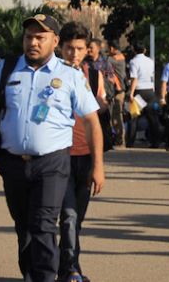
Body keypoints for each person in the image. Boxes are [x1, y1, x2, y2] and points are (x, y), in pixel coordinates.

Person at [0, 14, 103, 282]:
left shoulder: (69, 75)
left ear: (55, 41)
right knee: (24, 227)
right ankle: (30, 274)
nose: (33, 43)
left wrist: (98, 165)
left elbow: (91, 121)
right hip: (13, 163)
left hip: (52, 163)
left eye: (40, 38)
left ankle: (46, 277)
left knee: (43, 225)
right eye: (29, 37)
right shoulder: (6, 69)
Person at [58, 22, 107, 282]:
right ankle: (71, 270)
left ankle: (68, 265)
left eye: (79, 49)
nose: (74, 54)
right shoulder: (51, 74)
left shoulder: (94, 76)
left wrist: (98, 164)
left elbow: (99, 113)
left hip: (85, 156)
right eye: (69, 48)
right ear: (60, 47)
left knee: (76, 219)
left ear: (87, 49)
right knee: (68, 216)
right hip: (59, 156)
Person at [128, 40, 159, 148]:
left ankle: (130, 142)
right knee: (153, 119)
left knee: (134, 117)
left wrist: (131, 93)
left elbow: (134, 78)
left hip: (139, 92)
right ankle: (155, 142)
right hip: (150, 91)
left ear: (134, 50)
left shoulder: (133, 62)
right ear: (144, 50)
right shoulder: (150, 61)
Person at [107, 40, 127, 146]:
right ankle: (119, 138)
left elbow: (110, 74)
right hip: (120, 91)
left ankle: (120, 139)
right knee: (117, 115)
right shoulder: (122, 57)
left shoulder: (112, 60)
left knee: (116, 115)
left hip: (116, 90)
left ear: (112, 48)